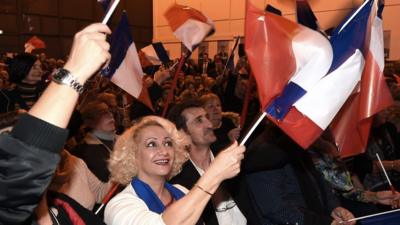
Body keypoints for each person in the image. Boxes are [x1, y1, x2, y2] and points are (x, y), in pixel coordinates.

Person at [0, 23, 111, 224]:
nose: (39, 68)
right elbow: (21, 162)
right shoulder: (4, 98)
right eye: (33, 66)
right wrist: (75, 70)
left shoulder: (63, 206)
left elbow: (68, 126)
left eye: (39, 66)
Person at [104, 115, 245, 225]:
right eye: (151, 144)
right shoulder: (120, 205)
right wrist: (214, 174)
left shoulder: (182, 191)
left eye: (168, 143)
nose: (164, 151)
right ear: (133, 154)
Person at [167, 99, 288, 225]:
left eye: (207, 117)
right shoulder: (178, 180)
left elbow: (270, 158)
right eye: (199, 120)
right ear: (181, 133)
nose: (209, 124)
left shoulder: (228, 154)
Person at [246, 134, 356, 225]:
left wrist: (334, 208)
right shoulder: (262, 154)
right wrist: (322, 222)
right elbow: (277, 210)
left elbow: (318, 182)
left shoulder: (295, 143)